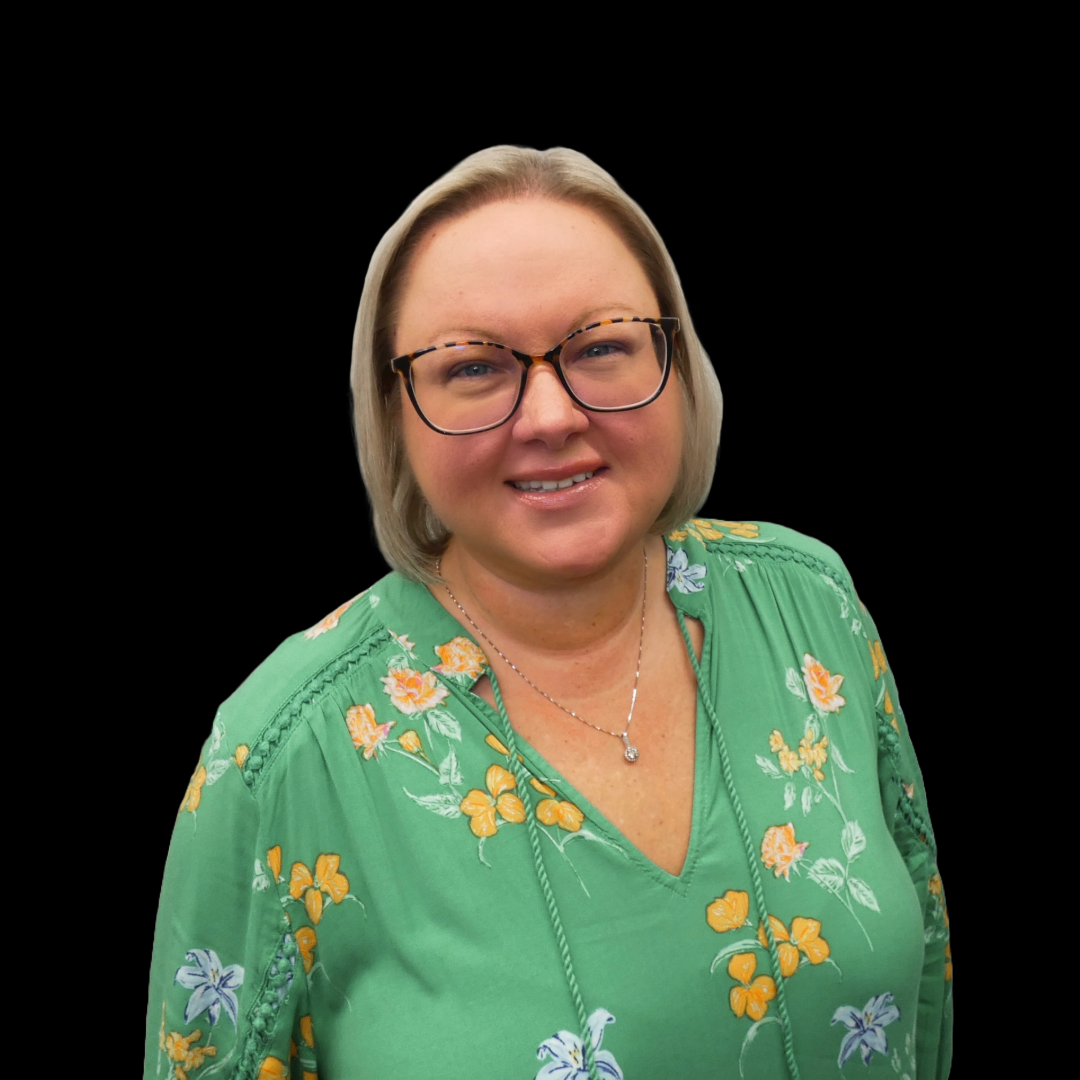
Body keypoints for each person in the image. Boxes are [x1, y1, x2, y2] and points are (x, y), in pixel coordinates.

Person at [145, 146, 952, 1080]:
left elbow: (926, 979)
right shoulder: (282, 754)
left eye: (601, 346)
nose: (550, 416)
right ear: (394, 413)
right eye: (473, 367)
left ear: (677, 363)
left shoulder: (810, 607)